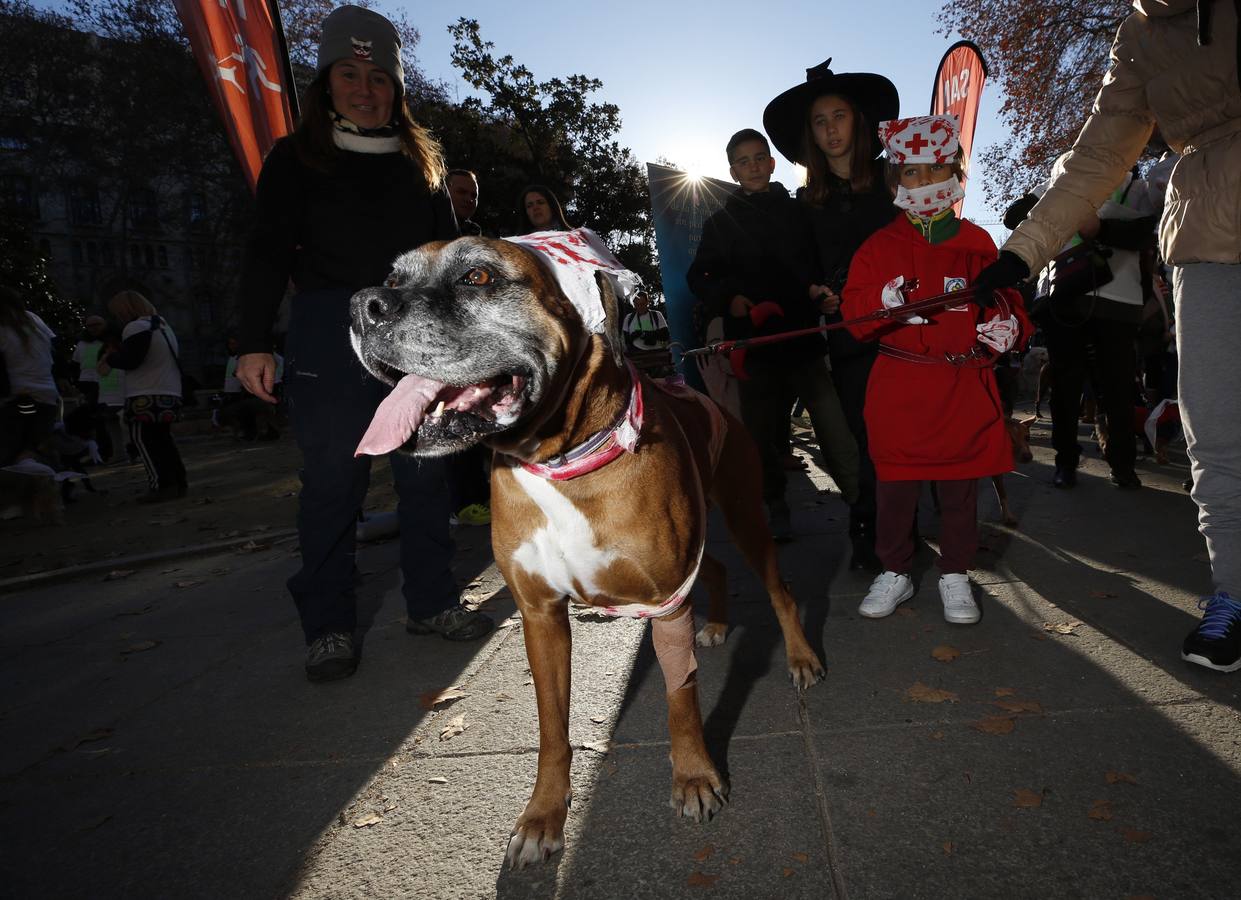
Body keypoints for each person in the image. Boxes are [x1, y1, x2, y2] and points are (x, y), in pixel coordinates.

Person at [971, 0, 1239, 671]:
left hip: (1133, 292)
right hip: (1205, 226)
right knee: (1216, 431)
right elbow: (1095, 157)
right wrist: (1022, 251)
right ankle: (1233, 594)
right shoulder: (1136, 36)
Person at [235, 5, 491, 683]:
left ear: (396, 89)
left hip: (416, 334)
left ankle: (432, 602)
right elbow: (265, 251)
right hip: (327, 330)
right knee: (331, 481)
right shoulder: (296, 158)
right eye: (348, 74)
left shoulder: (419, 163)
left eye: (378, 76)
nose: (363, 88)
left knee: (425, 473)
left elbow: (446, 262)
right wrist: (252, 341)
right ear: (325, 83)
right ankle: (328, 625)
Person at [841, 114, 1030, 625]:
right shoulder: (879, 247)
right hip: (900, 387)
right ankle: (895, 570)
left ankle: (955, 572)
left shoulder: (978, 243)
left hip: (960, 385)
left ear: (953, 172)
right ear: (895, 181)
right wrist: (880, 301)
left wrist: (1007, 328)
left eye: (932, 170)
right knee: (895, 489)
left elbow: (1006, 303)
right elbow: (853, 312)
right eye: (910, 173)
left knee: (958, 490)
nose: (921, 182)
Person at [688, 127, 860, 542]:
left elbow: (820, 261)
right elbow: (700, 275)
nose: (751, 166)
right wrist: (729, 300)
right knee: (760, 436)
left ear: (771, 162)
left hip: (802, 339)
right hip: (753, 348)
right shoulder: (719, 222)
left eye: (757, 157)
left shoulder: (799, 210)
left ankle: (862, 504)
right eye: (742, 161)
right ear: (733, 169)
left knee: (834, 427)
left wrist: (821, 289)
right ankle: (775, 504)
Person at [763, 58, 901, 570]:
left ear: (858, 120)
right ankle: (868, 528)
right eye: (819, 123)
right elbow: (800, 271)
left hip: (908, 332)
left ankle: (905, 523)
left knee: (905, 432)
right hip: (850, 338)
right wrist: (815, 291)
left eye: (838, 116)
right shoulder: (805, 204)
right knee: (865, 436)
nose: (830, 129)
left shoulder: (898, 184)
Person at [1007, 160, 1157, 489]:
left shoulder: (1138, 185)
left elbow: (1149, 232)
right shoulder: (1063, 174)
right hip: (1066, 293)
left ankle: (1122, 463)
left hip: (1118, 300)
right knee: (1065, 385)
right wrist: (1064, 210)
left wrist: (1100, 228)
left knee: (1117, 386)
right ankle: (1066, 462)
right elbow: (1014, 215)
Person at [99, 290, 187, 503]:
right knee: (164, 440)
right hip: (168, 391)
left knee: (144, 440)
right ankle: (177, 482)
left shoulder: (136, 327)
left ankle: (161, 485)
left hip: (144, 393)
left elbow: (131, 361)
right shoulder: (163, 326)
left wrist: (111, 359)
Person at [0, 286, 59, 466]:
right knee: (36, 449)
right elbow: (54, 352)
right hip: (45, 396)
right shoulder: (33, 320)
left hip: (14, 399)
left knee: (11, 458)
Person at [446, 169, 483, 236]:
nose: (469, 199)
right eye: (461, 192)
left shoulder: (473, 231)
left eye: (474, 196)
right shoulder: (426, 225)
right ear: (445, 192)